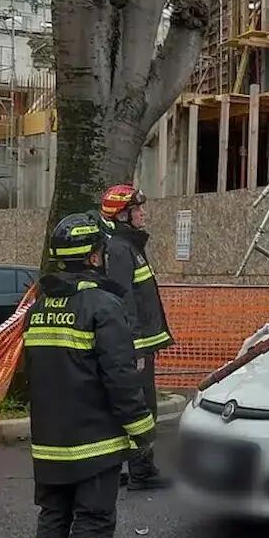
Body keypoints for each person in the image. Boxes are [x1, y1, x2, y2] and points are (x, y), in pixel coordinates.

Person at [24, 212, 156, 538]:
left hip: (49, 442)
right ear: (96, 254)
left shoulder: (40, 306)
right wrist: (141, 429)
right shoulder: (103, 305)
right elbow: (120, 376)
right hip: (94, 441)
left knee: (53, 519)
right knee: (94, 519)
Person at [98, 183, 174, 490]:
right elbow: (122, 300)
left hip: (139, 343)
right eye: (137, 210)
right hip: (135, 346)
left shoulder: (128, 246)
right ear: (122, 215)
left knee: (134, 405)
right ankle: (141, 471)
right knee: (141, 407)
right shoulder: (119, 249)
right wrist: (134, 348)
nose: (143, 214)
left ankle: (127, 467)